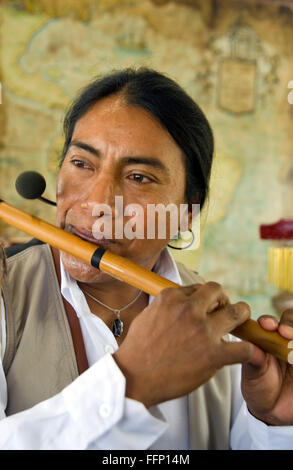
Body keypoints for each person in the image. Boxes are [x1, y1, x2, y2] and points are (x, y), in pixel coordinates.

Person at [0, 67, 293, 450]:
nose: (97, 203)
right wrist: (131, 384)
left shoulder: (217, 323)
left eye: (138, 177)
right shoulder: (6, 295)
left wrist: (272, 423)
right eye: (81, 163)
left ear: (185, 214)